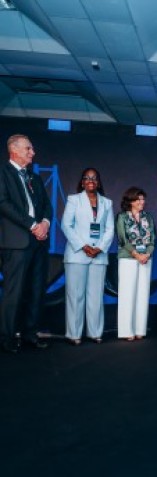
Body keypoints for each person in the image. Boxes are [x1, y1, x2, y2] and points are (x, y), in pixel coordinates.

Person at [0, 134, 52, 354]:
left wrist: (45, 224)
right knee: (14, 292)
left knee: (36, 290)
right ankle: (7, 338)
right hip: (16, 243)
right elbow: (4, 203)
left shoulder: (34, 177)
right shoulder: (3, 173)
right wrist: (32, 225)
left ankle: (30, 334)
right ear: (14, 150)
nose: (33, 153)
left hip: (38, 243)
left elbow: (47, 206)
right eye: (28, 149)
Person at [61, 168, 114, 345]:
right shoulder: (74, 200)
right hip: (77, 254)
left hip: (99, 256)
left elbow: (110, 229)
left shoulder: (107, 203)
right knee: (75, 296)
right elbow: (66, 225)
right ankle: (74, 334)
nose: (91, 180)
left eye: (94, 178)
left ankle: (95, 333)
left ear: (98, 182)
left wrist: (99, 248)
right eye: (87, 178)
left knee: (96, 296)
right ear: (82, 182)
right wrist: (83, 246)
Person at [116, 187, 156, 341]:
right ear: (130, 201)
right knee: (127, 294)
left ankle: (140, 329)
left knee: (143, 294)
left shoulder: (148, 217)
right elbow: (122, 239)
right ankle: (127, 331)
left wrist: (147, 254)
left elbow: (153, 239)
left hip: (146, 258)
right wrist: (136, 254)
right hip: (128, 258)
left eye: (143, 199)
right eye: (138, 199)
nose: (142, 202)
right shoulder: (122, 217)